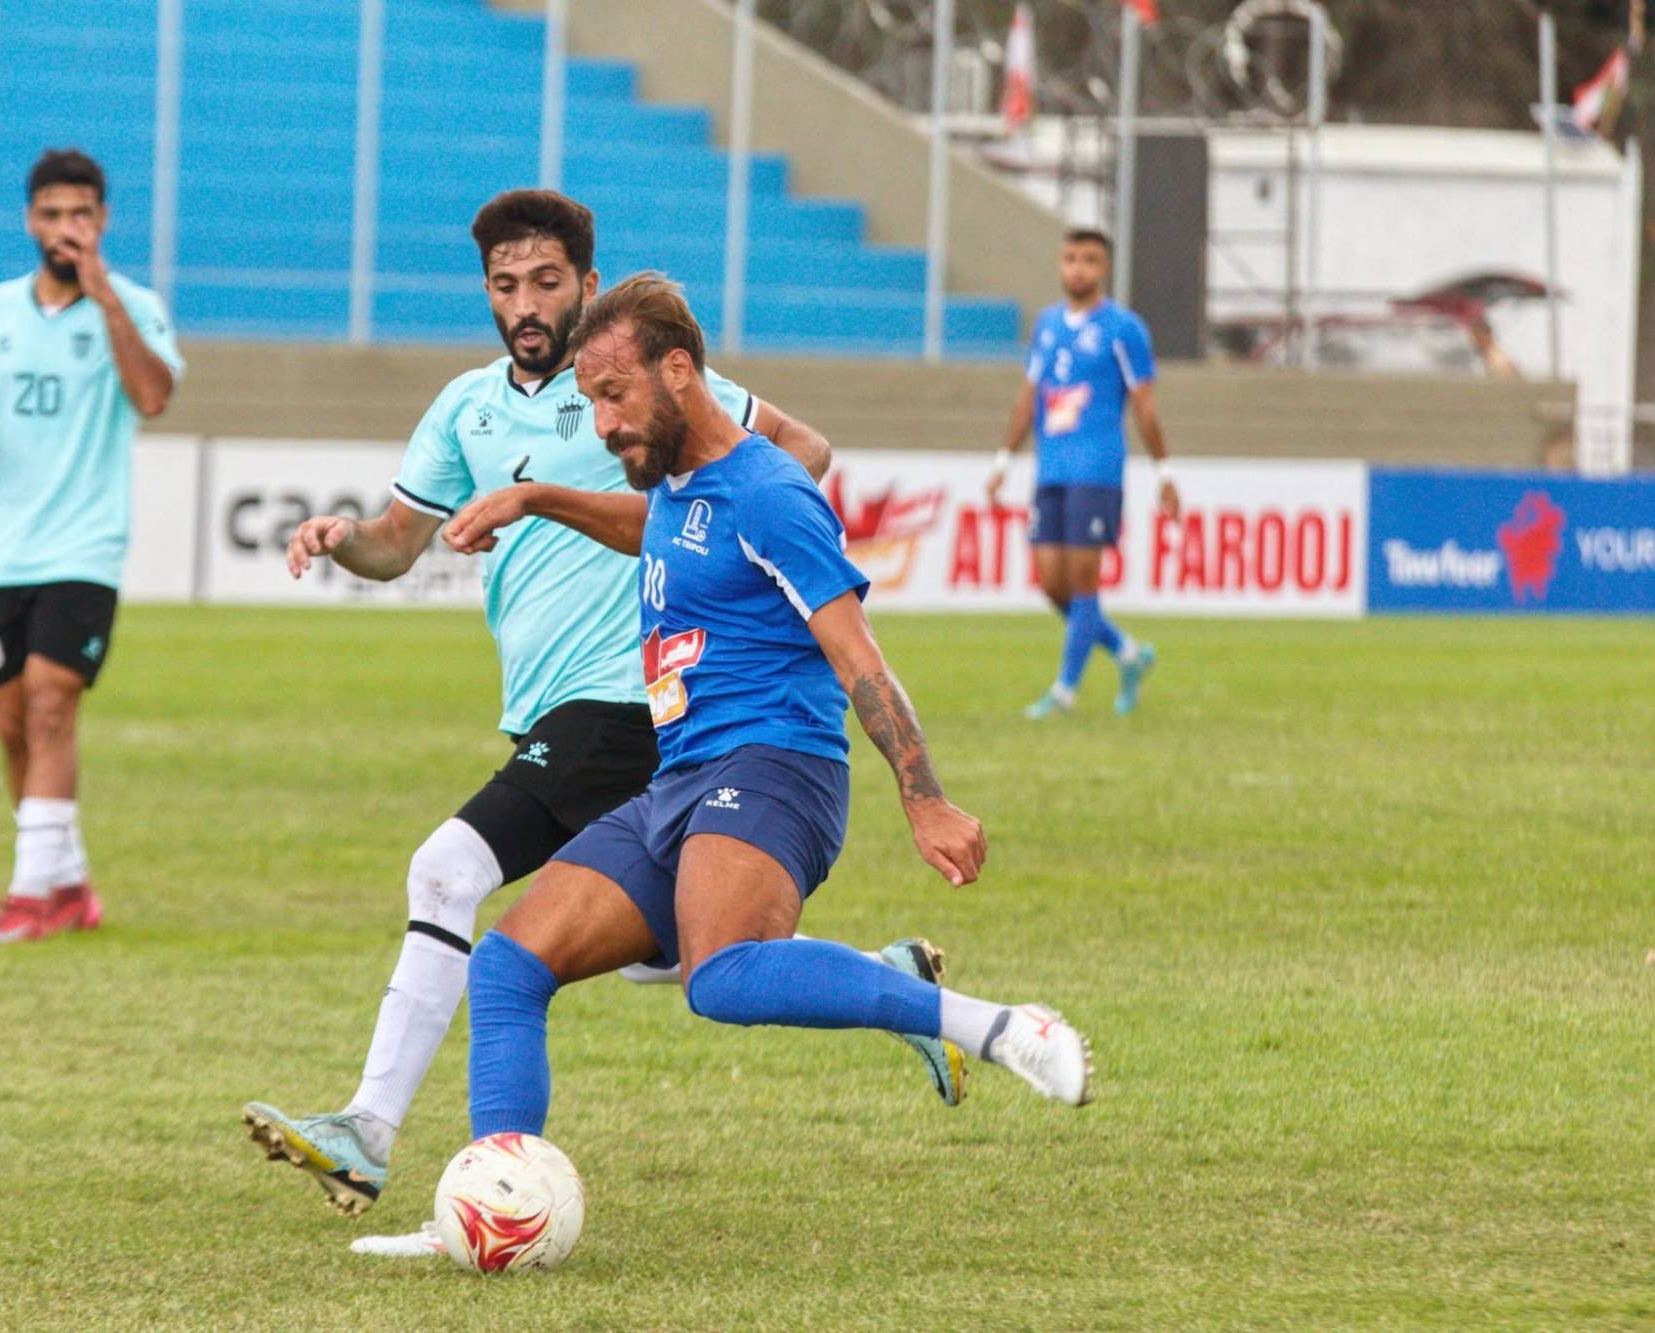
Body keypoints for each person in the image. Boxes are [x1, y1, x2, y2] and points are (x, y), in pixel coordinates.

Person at [241, 194, 968, 1248]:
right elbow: (399, 542)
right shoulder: (464, 410)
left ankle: (372, 1130)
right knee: (666, 952)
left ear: (585, 281)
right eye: (504, 285)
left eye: (545, 281)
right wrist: (338, 536)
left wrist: (710, 550)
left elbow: (796, 451)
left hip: (631, 702)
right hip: (560, 711)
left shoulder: (641, 381)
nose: (525, 304)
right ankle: (883, 978)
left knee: (448, 870)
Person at [447, 273, 1093, 1174]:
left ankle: (1001, 1028)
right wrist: (535, 497)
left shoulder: (772, 493)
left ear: (678, 370)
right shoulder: (683, 482)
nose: (602, 424)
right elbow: (662, 528)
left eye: (613, 395)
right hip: (680, 778)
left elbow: (860, 657)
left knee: (722, 977)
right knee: (507, 967)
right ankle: (495, 1198)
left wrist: (927, 800)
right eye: (591, 402)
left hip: (777, 765)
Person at [0, 148, 183, 943]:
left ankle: (28, 896)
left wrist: (103, 296)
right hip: (3, 550)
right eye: (54, 214)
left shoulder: (132, 304)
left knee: (51, 702)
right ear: (30, 219)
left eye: (83, 215)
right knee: (10, 723)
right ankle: (67, 883)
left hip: (84, 547)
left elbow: (154, 395)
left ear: (103, 221)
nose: (68, 228)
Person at [988, 228, 1178, 719]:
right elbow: (1028, 397)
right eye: (1071, 258)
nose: (1078, 268)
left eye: (1090, 260)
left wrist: (1164, 471)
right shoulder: (1048, 324)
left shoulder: (1124, 329)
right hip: (1050, 469)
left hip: (1097, 470)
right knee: (1052, 582)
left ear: (1104, 268)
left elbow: (1145, 404)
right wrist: (1003, 460)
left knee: (1083, 577)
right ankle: (1129, 654)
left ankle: (1065, 691)